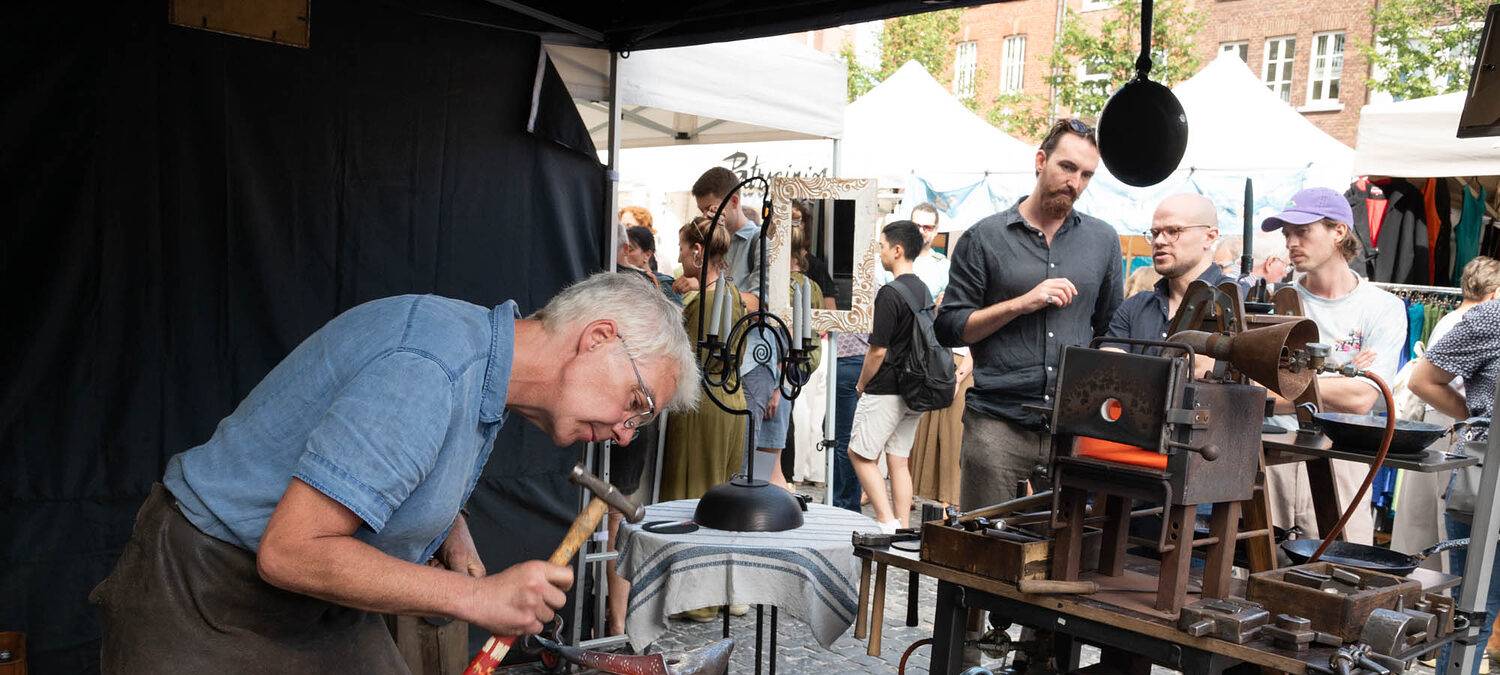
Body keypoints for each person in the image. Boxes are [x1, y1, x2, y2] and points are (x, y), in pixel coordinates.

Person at [89, 273, 698, 672]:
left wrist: (449, 531)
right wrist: (475, 597)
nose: (625, 432)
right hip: (207, 591)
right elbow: (290, 551)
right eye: (637, 402)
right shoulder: (429, 371)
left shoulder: (481, 363)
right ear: (597, 338)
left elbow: (387, 459)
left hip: (306, 603)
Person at [934, 118, 1124, 511]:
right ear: (1041, 161)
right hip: (997, 422)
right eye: (1067, 167)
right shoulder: (985, 237)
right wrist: (1023, 302)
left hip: (1072, 426)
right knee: (984, 548)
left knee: (1062, 557)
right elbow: (950, 328)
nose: (1075, 182)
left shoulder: (1102, 240)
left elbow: (1110, 329)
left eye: (1087, 174)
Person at [1259, 187, 1407, 545]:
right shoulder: (1273, 301)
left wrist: (1288, 383)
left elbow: (1361, 400)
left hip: (1342, 458)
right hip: (1274, 451)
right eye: (1286, 233)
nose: (1291, 242)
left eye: (1302, 231)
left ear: (1338, 231)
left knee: (1336, 572)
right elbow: (1252, 390)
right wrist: (1340, 373)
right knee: (1255, 573)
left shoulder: (1382, 307)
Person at [1410, 265, 1500, 675]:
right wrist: (1481, 421)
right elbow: (1424, 379)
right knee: (1475, 609)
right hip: (1488, 481)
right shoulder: (1492, 316)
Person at [848, 221, 929, 533]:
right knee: (898, 460)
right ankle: (905, 528)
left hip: (887, 388)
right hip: (916, 389)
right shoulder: (922, 290)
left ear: (897, 250)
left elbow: (877, 350)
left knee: (859, 454)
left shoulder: (889, 293)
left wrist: (861, 383)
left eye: (882, 246)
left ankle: (886, 522)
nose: (879, 251)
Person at [1106, 194, 1224, 355]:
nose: (1159, 241)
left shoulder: (1237, 303)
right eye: (1155, 233)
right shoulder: (1134, 307)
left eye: (1173, 231)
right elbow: (1108, 371)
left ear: (1209, 237)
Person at [625, 225, 681, 305]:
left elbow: (676, 316)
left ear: (647, 255)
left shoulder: (665, 284)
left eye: (630, 249)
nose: (625, 253)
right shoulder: (621, 281)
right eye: (622, 248)